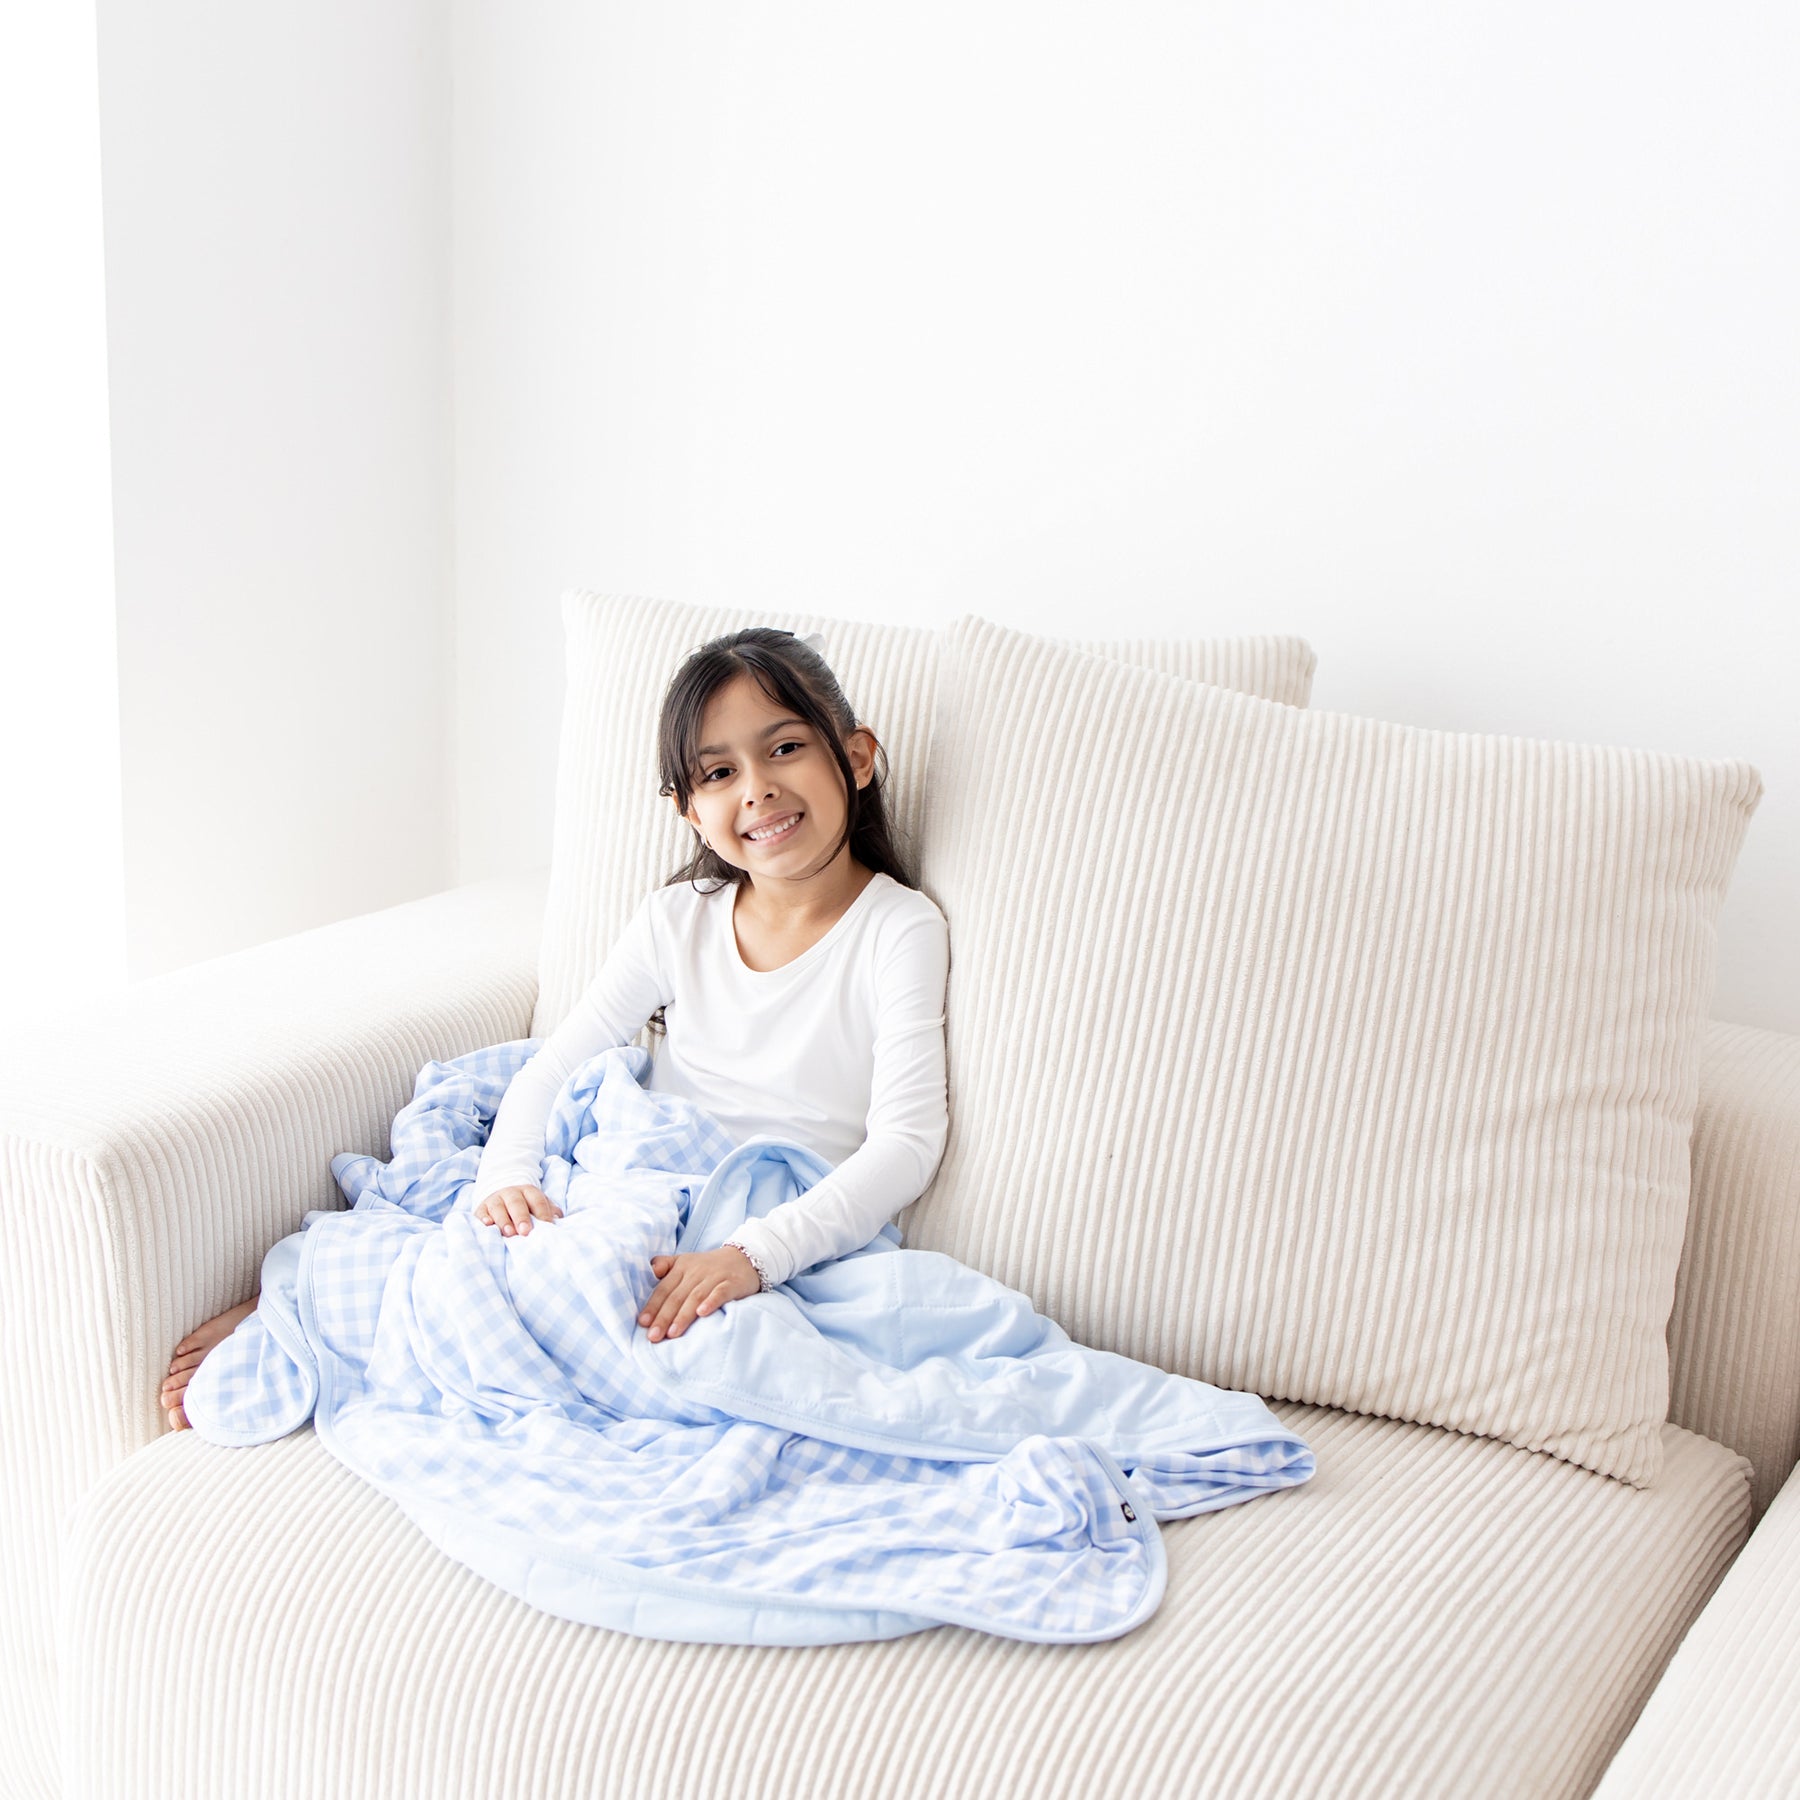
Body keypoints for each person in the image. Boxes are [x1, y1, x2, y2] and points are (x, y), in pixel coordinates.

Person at [161, 625, 950, 1425]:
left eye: (783, 749)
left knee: (618, 1306)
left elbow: (905, 1144)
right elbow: (561, 1061)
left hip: (766, 1215)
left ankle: (325, 1322)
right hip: (641, 1175)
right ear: (689, 812)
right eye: (718, 772)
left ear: (855, 757)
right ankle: (307, 1308)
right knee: (517, 1251)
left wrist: (752, 1257)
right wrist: (507, 1174)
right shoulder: (680, 918)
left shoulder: (897, 928)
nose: (757, 789)